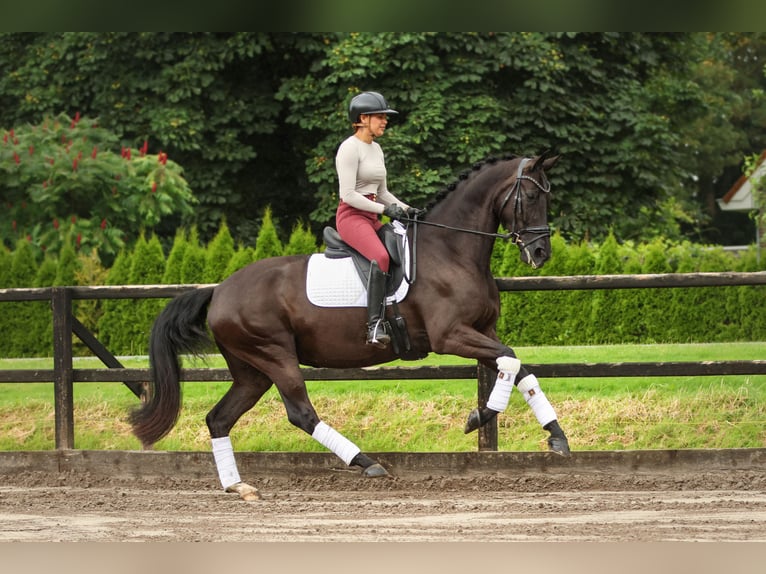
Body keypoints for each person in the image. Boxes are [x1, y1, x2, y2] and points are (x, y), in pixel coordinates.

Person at [335, 91, 420, 348]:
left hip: (372, 216)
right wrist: (385, 210)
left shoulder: (377, 149)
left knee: (403, 248)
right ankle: (374, 326)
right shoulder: (349, 148)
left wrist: (407, 209)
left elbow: (382, 192)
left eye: (385, 117)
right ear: (363, 118)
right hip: (351, 217)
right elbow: (348, 194)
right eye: (380, 117)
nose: (385, 121)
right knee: (380, 257)